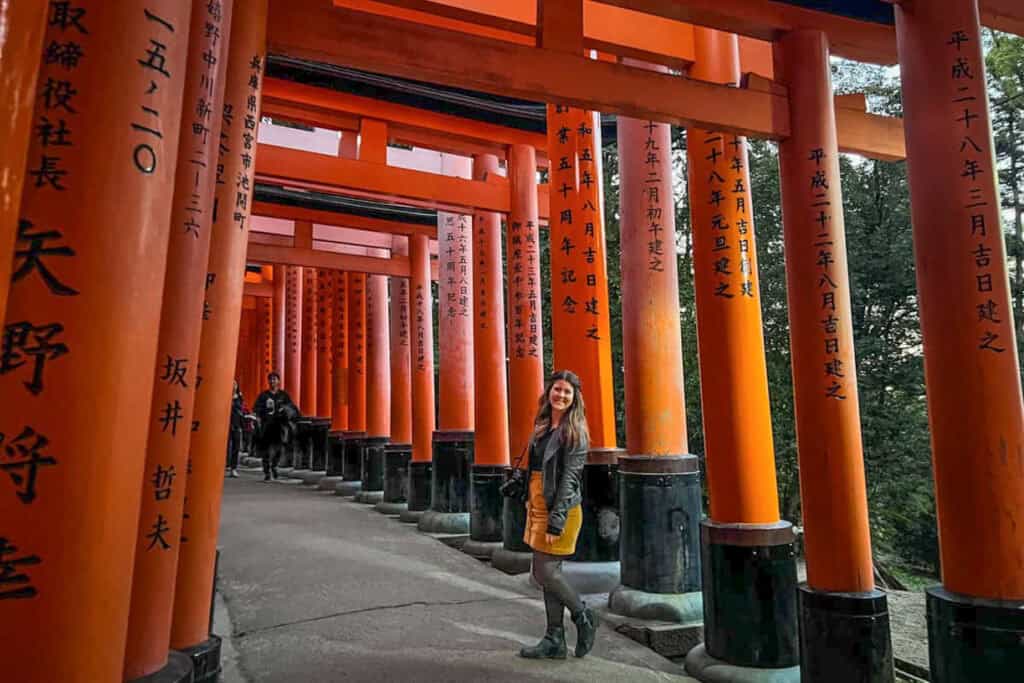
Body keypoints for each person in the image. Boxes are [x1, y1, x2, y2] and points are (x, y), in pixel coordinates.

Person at [518, 369, 598, 660]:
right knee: (549, 574)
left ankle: (583, 615)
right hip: (538, 503)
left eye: (567, 392)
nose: (561, 395)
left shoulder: (575, 432)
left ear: (575, 398)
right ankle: (554, 639)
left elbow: (570, 479)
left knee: (544, 571)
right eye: (557, 389)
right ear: (549, 392)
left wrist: (557, 519)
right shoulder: (543, 426)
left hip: (558, 508)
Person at [253, 372, 297, 482]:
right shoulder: (263, 396)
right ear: (268, 381)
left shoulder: (283, 395)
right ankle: (267, 471)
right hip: (266, 425)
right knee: (266, 450)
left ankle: (274, 466)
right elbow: (256, 410)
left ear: (279, 381)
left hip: (279, 426)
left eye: (275, 379)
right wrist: (258, 420)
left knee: (279, 448)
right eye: (271, 379)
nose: (273, 381)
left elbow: (292, 408)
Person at [226, 380, 246, 478]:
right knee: (226, 447)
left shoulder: (239, 398)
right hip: (226, 425)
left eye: (235, 384)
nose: (233, 386)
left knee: (236, 447)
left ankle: (234, 468)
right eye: (232, 384)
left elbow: (242, 409)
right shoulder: (225, 396)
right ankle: (226, 465)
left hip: (237, 425)